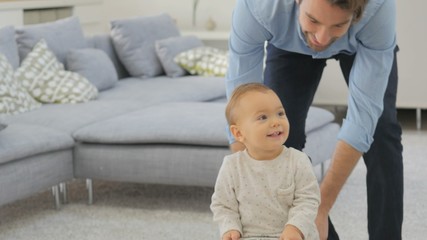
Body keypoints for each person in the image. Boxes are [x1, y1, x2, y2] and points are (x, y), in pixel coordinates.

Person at [225, 0, 403, 240]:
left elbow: (362, 122)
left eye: (338, 25)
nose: (322, 37)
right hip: (290, 45)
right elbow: (243, 112)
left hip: (363, 41)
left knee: (381, 132)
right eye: (313, 20)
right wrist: (239, 192)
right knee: (274, 136)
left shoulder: (378, 8)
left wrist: (322, 205)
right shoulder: (258, 7)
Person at [211, 83, 320, 240]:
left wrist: (295, 227)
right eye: (263, 117)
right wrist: (230, 228)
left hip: (292, 235)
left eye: (280, 113)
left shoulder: (298, 161)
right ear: (239, 133)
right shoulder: (232, 166)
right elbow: (223, 204)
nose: (276, 122)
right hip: (249, 236)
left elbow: (308, 199)